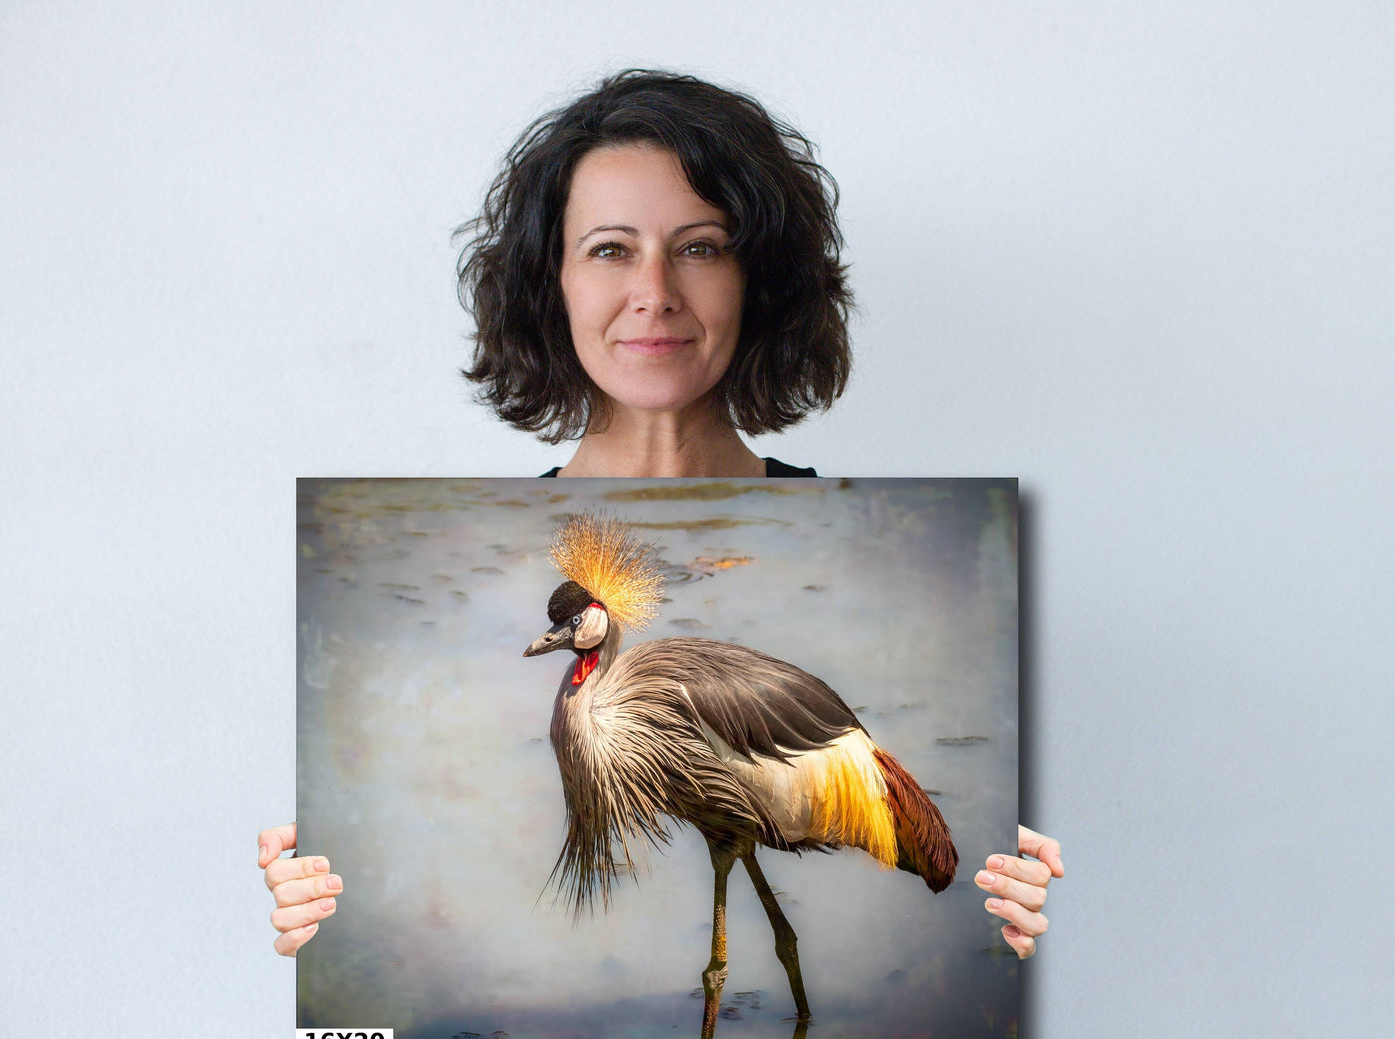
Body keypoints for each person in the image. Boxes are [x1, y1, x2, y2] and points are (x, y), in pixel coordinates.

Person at [260, 69, 1063, 964]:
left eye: (700, 247)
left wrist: (1015, 916)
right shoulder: (481, 534)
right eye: (609, 249)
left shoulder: (866, 529)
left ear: (757, 280)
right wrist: (323, 909)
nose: (655, 292)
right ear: (550, 282)